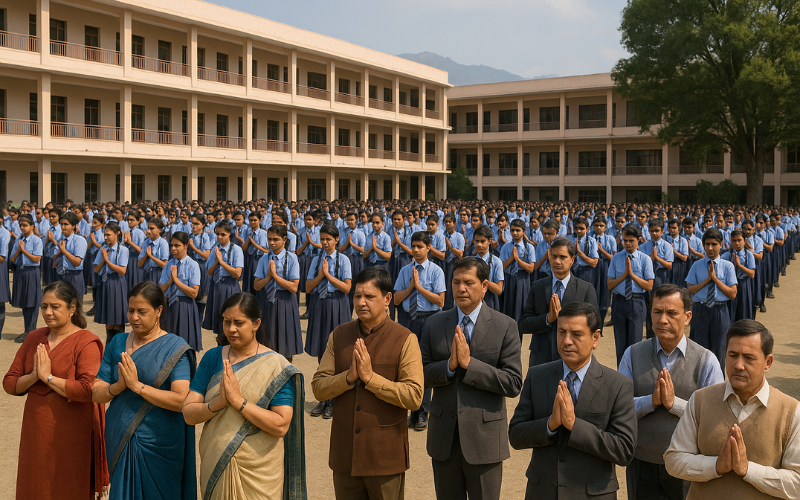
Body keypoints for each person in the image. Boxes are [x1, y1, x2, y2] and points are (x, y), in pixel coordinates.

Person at [312, 267, 423, 500]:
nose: (361, 302)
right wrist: (348, 378)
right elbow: (319, 387)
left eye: (369, 296)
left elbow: (414, 395)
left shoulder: (404, 338)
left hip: (384, 457)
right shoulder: (340, 335)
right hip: (345, 455)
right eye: (357, 296)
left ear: (387, 299)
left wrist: (372, 379)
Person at [509, 302, 637, 500]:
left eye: (576, 334)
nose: (566, 341)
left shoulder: (618, 385)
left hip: (593, 495)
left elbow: (624, 449)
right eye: (561, 332)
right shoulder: (537, 376)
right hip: (542, 491)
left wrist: (574, 426)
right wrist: (550, 425)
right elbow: (516, 435)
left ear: (595, 338)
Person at [183, 293, 306, 500]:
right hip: (216, 464)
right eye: (227, 321)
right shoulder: (213, 358)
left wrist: (239, 402)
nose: (231, 329)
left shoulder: (276, 366)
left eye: (239, 323)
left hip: (260, 474)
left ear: (256, 323)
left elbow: (281, 425)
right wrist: (218, 403)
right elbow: (188, 413)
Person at [421, 257, 523, 500]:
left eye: (468, 282)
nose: (461, 289)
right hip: (444, 437)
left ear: (485, 286)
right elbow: (421, 373)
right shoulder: (434, 323)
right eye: (456, 282)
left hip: (484, 439)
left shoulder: (505, 325)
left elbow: (513, 382)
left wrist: (470, 365)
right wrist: (449, 366)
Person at [665, 319, 800, 499]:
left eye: (749, 358)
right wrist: (715, 466)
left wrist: (748, 470)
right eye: (733, 355)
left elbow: (797, 483)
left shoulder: (790, 411)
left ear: (768, 362)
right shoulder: (700, 400)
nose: (738, 365)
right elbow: (674, 460)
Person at [3, 280, 108, 499]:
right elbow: (10, 383)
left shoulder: (87, 342)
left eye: (55, 306)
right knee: (35, 484)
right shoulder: (34, 338)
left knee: (68, 485)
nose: (47, 312)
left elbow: (87, 389)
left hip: (71, 431)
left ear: (72, 308)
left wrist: (48, 378)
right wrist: (34, 376)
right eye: (44, 307)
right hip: (37, 430)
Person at [618, 284, 724, 500]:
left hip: (687, 465)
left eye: (671, 313)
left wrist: (673, 403)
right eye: (657, 312)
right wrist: (651, 401)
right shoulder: (632, 354)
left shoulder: (706, 361)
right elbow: (619, 408)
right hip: (641, 462)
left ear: (687, 317)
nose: (662, 319)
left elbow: (714, 417)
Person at [92, 281, 196, 500]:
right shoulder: (118, 342)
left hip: (160, 445)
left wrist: (137, 387)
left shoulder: (174, 347)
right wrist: (118, 386)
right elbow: (96, 391)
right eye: (131, 310)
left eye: (142, 311)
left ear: (159, 311)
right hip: (119, 437)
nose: (134, 317)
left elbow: (181, 400)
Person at [394, 231, 446, 431]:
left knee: (425, 366)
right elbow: (397, 299)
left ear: (428, 248)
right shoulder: (405, 270)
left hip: (429, 320)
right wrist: (411, 287)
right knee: (407, 365)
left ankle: (423, 411)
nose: (415, 250)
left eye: (420, 246)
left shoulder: (436, 271)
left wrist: (420, 288)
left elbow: (440, 301)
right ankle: (412, 409)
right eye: (413, 246)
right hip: (408, 320)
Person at [519, 236, 598, 366]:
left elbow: (594, 326)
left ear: (572, 259)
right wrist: (547, 319)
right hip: (541, 358)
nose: (557, 261)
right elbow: (524, 323)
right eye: (553, 256)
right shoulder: (538, 287)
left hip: (573, 357)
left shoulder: (585, 289)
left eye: (562, 257)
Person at [305, 222, 353, 418]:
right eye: (322, 239)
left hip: (337, 305)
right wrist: (320, 275)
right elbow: (308, 287)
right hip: (320, 304)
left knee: (338, 351)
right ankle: (323, 398)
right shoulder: (316, 260)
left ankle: (334, 399)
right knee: (321, 350)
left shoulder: (344, 260)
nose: (324, 243)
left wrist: (329, 276)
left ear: (337, 240)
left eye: (328, 239)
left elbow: (347, 288)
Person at [686, 228, 738, 367]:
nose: (710, 248)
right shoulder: (697, 265)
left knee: (719, 349)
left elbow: (732, 293)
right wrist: (707, 280)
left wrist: (715, 279)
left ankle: (718, 384)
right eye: (707, 244)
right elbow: (690, 289)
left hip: (720, 311)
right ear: (703, 245)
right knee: (699, 348)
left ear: (721, 244)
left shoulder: (728, 266)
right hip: (701, 310)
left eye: (714, 244)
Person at [254, 223, 303, 361]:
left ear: (284, 239)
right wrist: (268, 277)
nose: (272, 243)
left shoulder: (292, 259)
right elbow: (257, 285)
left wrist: (275, 277)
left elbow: (294, 287)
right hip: (267, 300)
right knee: (268, 340)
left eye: (276, 239)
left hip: (285, 301)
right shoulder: (264, 259)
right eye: (269, 239)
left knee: (285, 341)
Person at [608, 224, 655, 365]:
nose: (627, 244)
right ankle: (621, 376)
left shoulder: (645, 259)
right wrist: (624, 275)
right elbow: (610, 284)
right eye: (625, 240)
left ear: (639, 240)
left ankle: (634, 377)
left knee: (635, 344)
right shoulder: (616, 258)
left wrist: (632, 275)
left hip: (637, 302)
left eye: (631, 241)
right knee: (620, 343)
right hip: (619, 301)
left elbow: (649, 285)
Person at [159, 232, 203, 351]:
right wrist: (169, 281)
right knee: (169, 343)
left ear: (186, 245)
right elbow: (161, 289)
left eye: (177, 245)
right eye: (172, 245)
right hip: (170, 305)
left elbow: (194, 293)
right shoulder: (169, 264)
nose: (173, 249)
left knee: (184, 342)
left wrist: (176, 281)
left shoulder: (193, 265)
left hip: (185, 306)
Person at [203, 220, 244, 343]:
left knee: (231, 317)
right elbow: (209, 272)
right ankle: (220, 345)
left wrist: (222, 262)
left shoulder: (236, 250)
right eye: (218, 234)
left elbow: (237, 273)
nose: (219, 237)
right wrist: (216, 261)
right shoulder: (215, 250)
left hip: (230, 286)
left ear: (229, 234)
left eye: (223, 234)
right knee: (218, 320)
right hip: (216, 287)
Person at [93, 221, 129, 344]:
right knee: (109, 322)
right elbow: (96, 269)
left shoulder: (123, 250)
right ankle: (109, 346)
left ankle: (120, 347)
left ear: (117, 233)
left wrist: (107, 261)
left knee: (118, 321)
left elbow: (122, 270)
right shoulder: (103, 249)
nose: (106, 237)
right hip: (106, 283)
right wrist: (103, 259)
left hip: (117, 283)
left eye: (109, 234)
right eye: (105, 235)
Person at [11, 214, 43, 343]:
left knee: (32, 302)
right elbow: (12, 259)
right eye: (21, 226)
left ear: (32, 226)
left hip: (32, 272)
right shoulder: (18, 240)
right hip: (21, 272)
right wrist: (19, 249)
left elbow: (37, 259)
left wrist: (23, 250)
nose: (22, 228)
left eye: (25, 225)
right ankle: (27, 330)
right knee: (24, 302)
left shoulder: (36, 240)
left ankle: (31, 331)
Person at [640, 218, 674, 338]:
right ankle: (650, 330)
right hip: (648, 277)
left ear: (662, 232)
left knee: (663, 303)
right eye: (652, 231)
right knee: (650, 305)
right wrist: (651, 258)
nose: (654, 233)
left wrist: (657, 258)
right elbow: (642, 264)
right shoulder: (644, 246)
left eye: (657, 231)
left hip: (662, 276)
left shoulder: (667, 246)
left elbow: (669, 265)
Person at [500, 218, 536, 325]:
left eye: (518, 230)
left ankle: (520, 333)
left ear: (523, 232)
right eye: (512, 230)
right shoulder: (506, 246)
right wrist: (511, 258)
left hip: (522, 278)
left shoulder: (529, 247)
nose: (515, 233)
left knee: (521, 306)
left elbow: (530, 268)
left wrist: (518, 260)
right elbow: (502, 266)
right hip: (509, 277)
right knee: (509, 305)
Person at [52, 212, 88, 300]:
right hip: (61, 275)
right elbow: (54, 261)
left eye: (66, 224)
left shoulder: (79, 240)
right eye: (61, 224)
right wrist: (59, 251)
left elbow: (77, 262)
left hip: (74, 276)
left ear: (74, 226)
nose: (63, 227)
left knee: (74, 305)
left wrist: (64, 251)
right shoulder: (61, 240)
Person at [723, 229, 756, 322]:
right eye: (734, 241)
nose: (737, 243)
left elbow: (752, 274)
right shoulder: (726, 256)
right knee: (730, 310)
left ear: (744, 241)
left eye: (739, 240)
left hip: (743, 283)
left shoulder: (748, 255)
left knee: (744, 308)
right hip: (730, 284)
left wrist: (740, 266)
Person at [472, 225, 504, 312]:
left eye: (482, 241)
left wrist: (485, 281)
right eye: (477, 241)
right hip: (473, 300)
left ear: (490, 241)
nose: (479, 244)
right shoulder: (471, 261)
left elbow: (499, 290)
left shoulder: (496, 262)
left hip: (490, 302)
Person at [340, 211, 366, 313]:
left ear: (356, 220)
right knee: (346, 283)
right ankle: (347, 310)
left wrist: (352, 244)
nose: (350, 222)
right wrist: (348, 242)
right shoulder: (343, 232)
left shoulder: (360, 233)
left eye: (352, 220)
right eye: (348, 220)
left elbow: (363, 250)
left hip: (357, 260)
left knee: (356, 284)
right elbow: (341, 248)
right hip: (346, 258)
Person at [593, 216, 617, 324]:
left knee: (605, 291)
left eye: (601, 225)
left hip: (606, 265)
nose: (599, 228)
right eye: (596, 225)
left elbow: (613, 257)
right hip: (593, 266)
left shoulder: (610, 239)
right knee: (594, 290)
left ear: (605, 227)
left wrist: (602, 250)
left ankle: (602, 320)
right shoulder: (590, 238)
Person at [442, 214, 466, 310]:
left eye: (450, 222)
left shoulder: (459, 237)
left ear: (454, 223)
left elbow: (460, 254)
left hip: (453, 264)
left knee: (451, 287)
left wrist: (450, 246)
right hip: (443, 263)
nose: (448, 224)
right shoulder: (442, 235)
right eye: (446, 222)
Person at [242, 211, 269, 294]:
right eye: (250, 220)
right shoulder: (247, 231)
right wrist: (248, 240)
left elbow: (265, 250)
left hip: (258, 259)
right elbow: (243, 247)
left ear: (260, 220)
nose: (252, 222)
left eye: (254, 220)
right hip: (248, 258)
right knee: (248, 281)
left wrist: (253, 242)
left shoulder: (263, 233)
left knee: (257, 280)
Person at [138, 217, 169, 284]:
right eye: (148, 228)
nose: (148, 231)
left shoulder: (163, 243)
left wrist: (151, 256)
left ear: (160, 230)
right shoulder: (145, 243)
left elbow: (164, 264)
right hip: (146, 273)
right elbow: (140, 264)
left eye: (152, 228)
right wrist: (146, 255)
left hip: (159, 274)